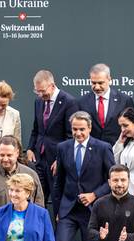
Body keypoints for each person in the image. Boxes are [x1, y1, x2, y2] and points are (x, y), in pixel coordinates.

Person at [53, 111, 115, 241]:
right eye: (75, 129)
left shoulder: (102, 148)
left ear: (89, 128)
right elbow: (59, 181)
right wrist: (57, 211)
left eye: (82, 129)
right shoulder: (63, 148)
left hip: (93, 212)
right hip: (69, 209)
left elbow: (112, 181)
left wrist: (94, 194)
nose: (78, 133)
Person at [27, 70, 78, 203]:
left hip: (56, 162)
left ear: (52, 85)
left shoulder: (69, 102)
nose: (40, 94)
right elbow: (36, 129)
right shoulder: (38, 102)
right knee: (36, 201)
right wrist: (30, 148)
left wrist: (60, 159)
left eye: (43, 91)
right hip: (39, 160)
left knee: (57, 203)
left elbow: (71, 136)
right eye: (37, 91)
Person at [77, 64, 134, 145]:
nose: (97, 87)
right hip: (92, 151)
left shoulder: (124, 100)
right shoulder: (82, 102)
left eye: (100, 83)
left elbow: (132, 127)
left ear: (109, 79)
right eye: (93, 83)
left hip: (117, 150)